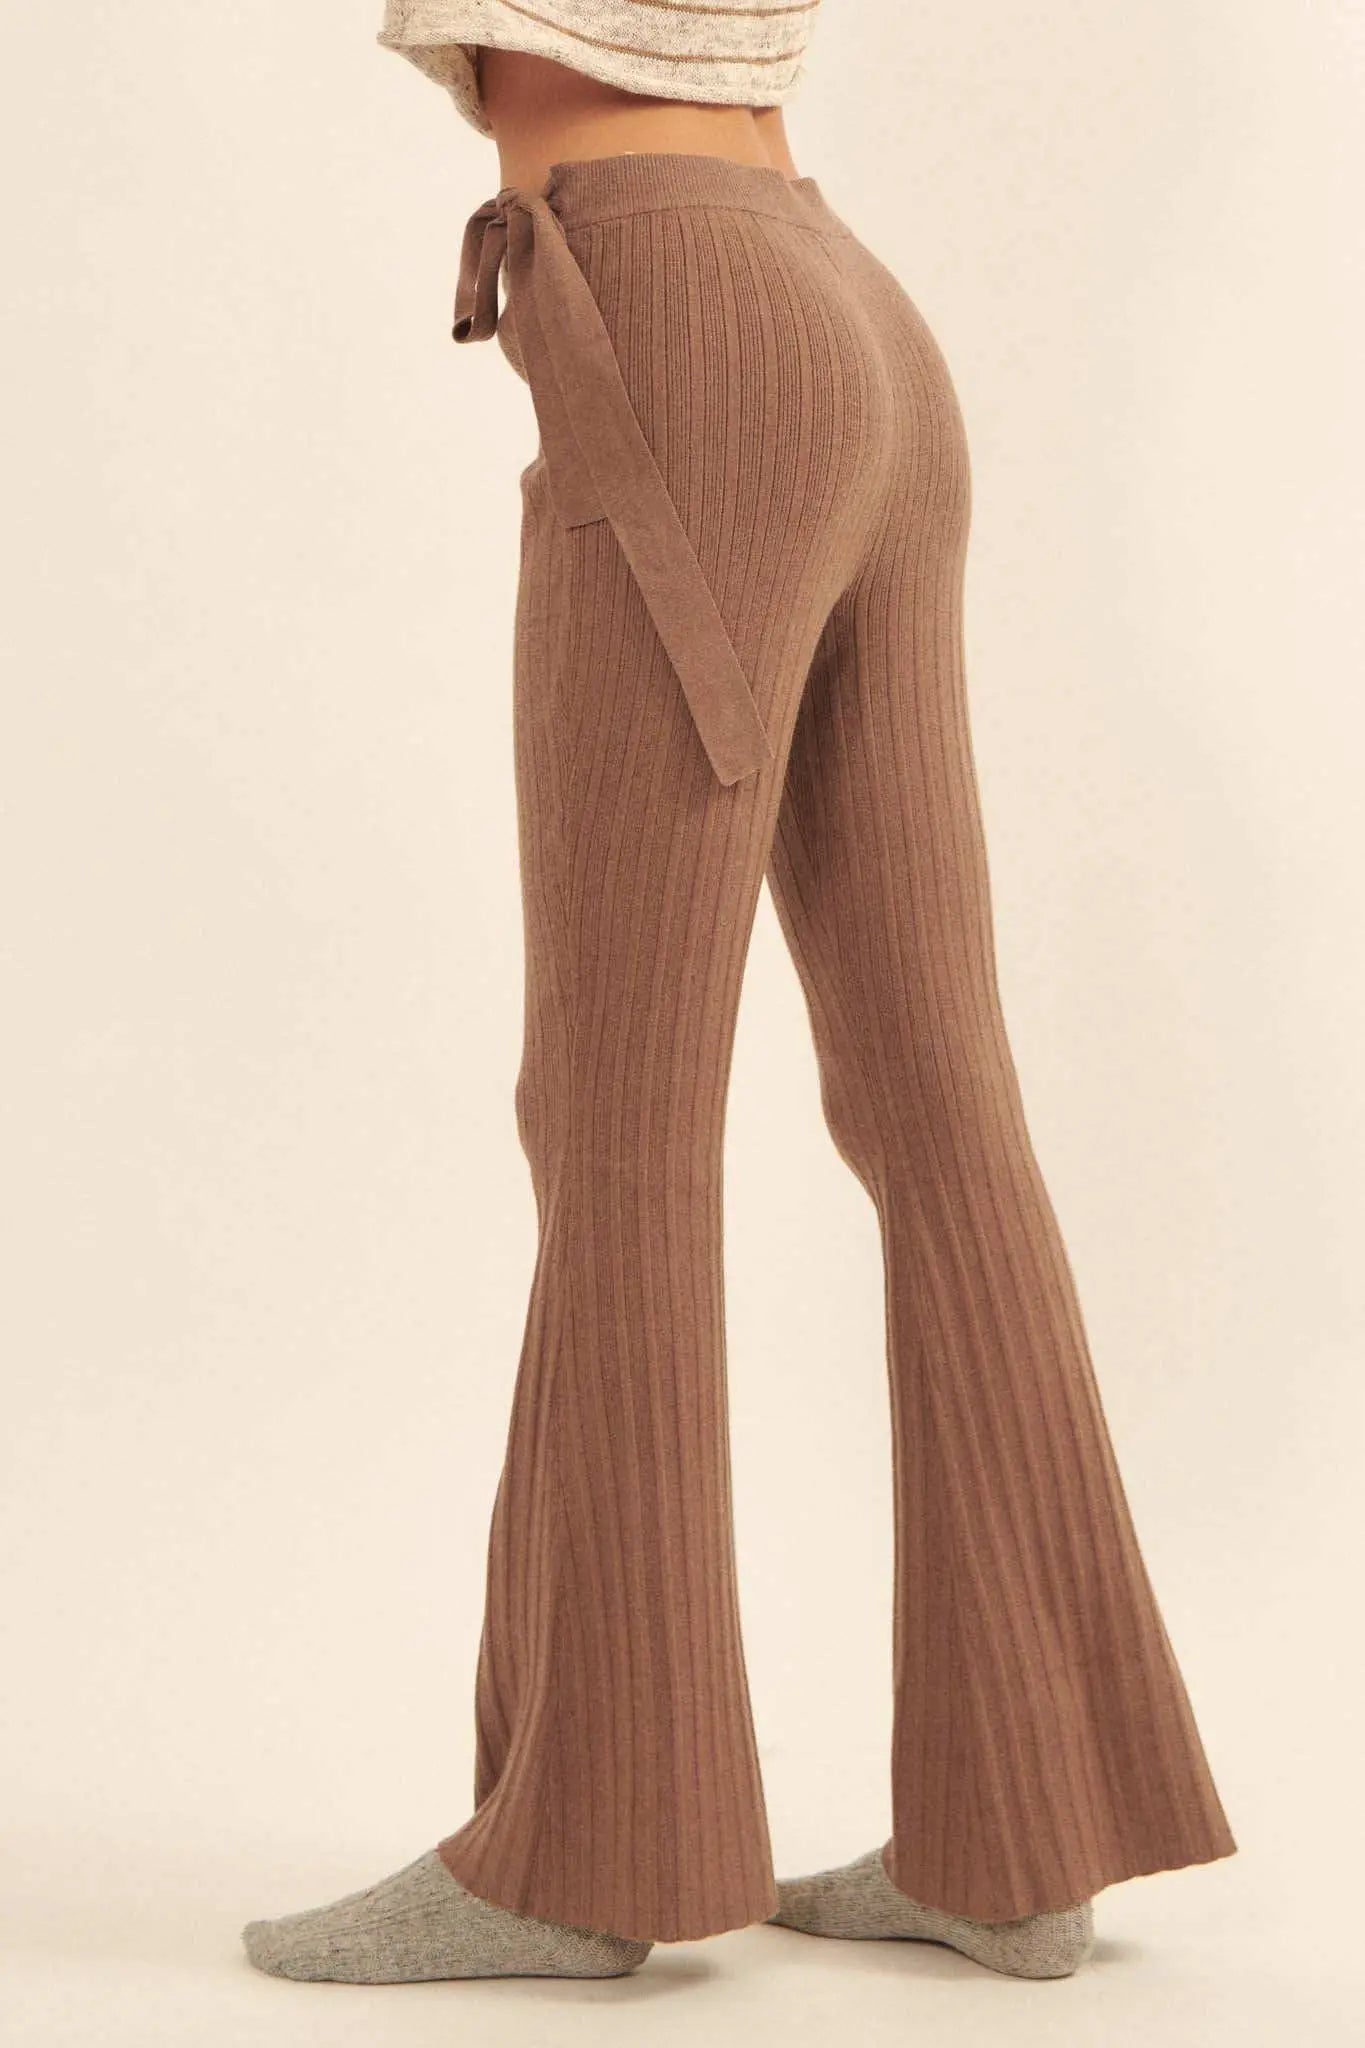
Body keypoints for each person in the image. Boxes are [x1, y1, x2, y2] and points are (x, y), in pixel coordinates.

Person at [241, 3, 1237, 1988]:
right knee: (938, 1098)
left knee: (616, 1110)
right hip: (839, 305)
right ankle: (1025, 1831)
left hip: (684, 324)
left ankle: (582, 1850)